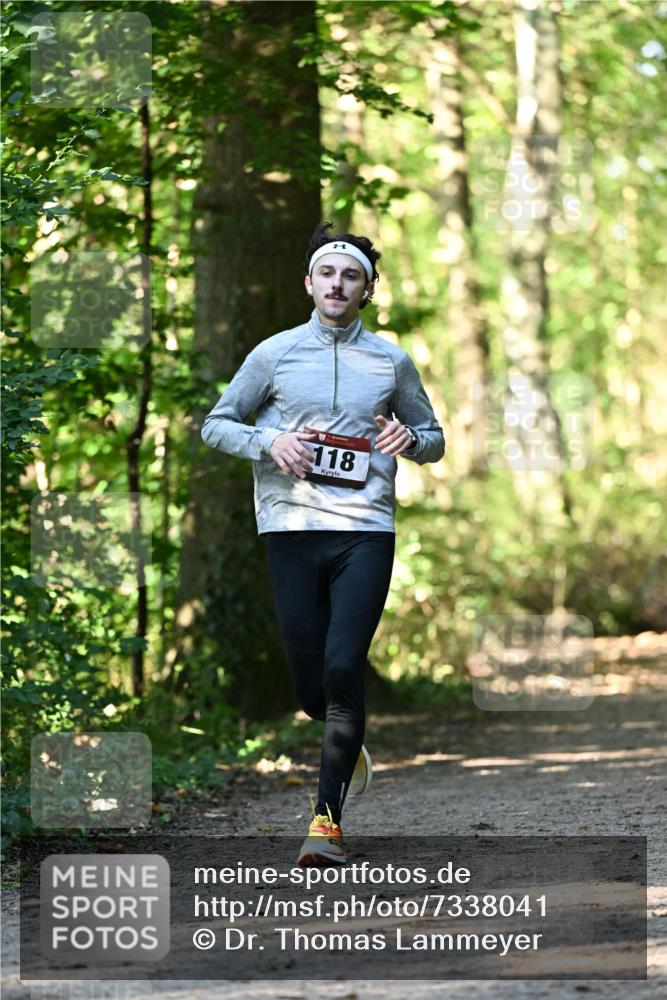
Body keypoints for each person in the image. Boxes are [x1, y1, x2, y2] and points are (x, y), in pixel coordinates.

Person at [200, 221, 445, 865]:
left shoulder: (391, 360)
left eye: (352, 277)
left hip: (366, 528)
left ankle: (325, 825)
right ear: (309, 283)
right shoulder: (274, 354)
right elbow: (216, 424)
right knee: (314, 690)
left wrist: (411, 442)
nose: (339, 284)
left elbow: (434, 437)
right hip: (290, 527)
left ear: (367, 290)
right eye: (328, 274)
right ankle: (346, 737)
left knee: (344, 667)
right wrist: (267, 441)